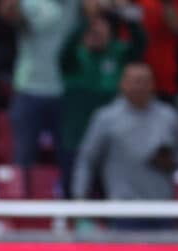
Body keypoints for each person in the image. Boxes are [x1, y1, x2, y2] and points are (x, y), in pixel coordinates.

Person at [72, 63, 178, 226]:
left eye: (145, 81)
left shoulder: (169, 117)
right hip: (123, 209)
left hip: (163, 207)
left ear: (153, 84)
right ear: (122, 84)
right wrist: (79, 197)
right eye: (135, 81)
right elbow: (87, 160)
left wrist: (171, 162)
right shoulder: (106, 118)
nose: (140, 86)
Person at [59, 0, 146, 196]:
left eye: (101, 25)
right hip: (76, 140)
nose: (95, 31)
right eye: (91, 28)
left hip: (112, 145)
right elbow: (66, 47)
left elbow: (140, 43)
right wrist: (86, 18)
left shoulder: (118, 53)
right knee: (76, 194)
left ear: (110, 31)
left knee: (111, 197)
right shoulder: (73, 58)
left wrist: (123, 13)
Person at [7, 0, 81, 170]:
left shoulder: (75, 4)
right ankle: (19, 195)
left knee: (69, 159)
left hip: (65, 89)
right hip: (29, 88)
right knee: (24, 158)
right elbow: (11, 16)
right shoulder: (30, 3)